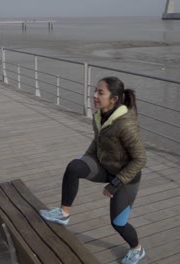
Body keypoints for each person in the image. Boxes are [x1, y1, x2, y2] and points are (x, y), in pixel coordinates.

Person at [40, 77, 147, 264]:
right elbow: (97, 142)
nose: (95, 95)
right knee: (74, 167)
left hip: (126, 178)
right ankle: (64, 214)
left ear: (113, 99)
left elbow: (140, 159)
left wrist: (116, 183)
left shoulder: (125, 124)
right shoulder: (100, 115)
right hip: (106, 167)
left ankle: (137, 249)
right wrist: (84, 160)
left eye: (100, 92)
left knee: (118, 223)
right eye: (95, 90)